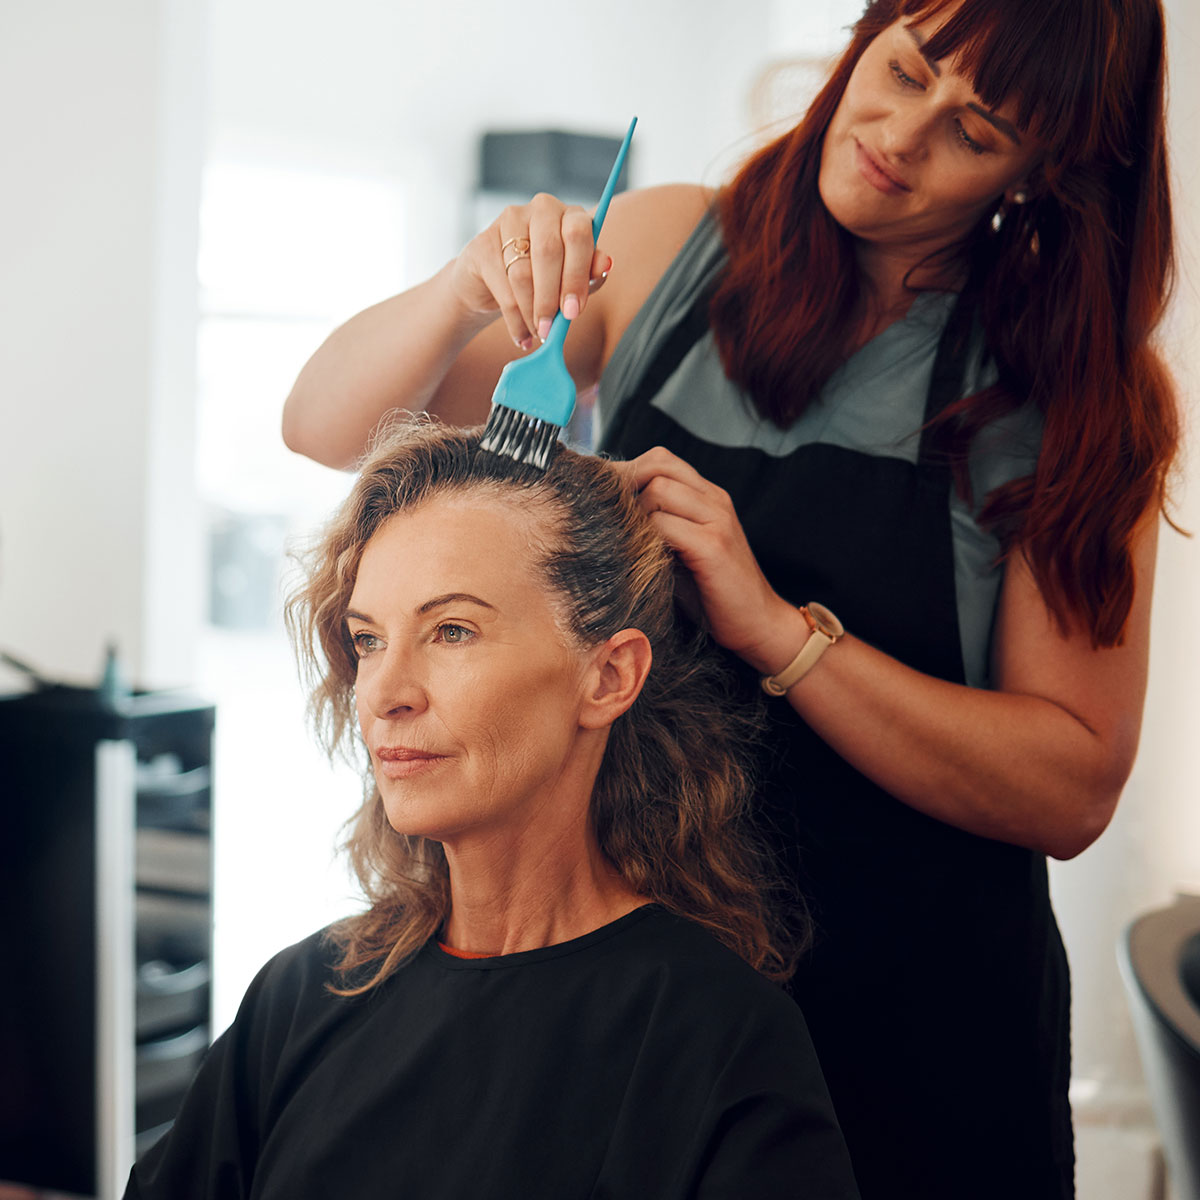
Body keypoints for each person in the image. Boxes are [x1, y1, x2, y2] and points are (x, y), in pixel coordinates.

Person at [280, 1, 1180, 1195]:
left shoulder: (1075, 396)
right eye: (903, 71)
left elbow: (1071, 782)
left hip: (916, 1027)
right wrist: (461, 286)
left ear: (1047, 168)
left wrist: (778, 633)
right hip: (641, 990)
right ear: (862, 39)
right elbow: (324, 426)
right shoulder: (662, 249)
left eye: (975, 130)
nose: (902, 137)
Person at [124, 419, 861, 1200]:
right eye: (369, 640)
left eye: (450, 630)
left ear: (608, 677)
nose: (383, 692)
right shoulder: (304, 997)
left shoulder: (718, 1037)